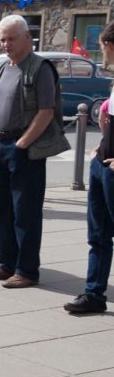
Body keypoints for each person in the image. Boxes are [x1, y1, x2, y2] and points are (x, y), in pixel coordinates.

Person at [0, 14, 58, 289]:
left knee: (25, 212)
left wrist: (22, 144)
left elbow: (46, 111)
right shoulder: (3, 68)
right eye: (2, 39)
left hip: (23, 149)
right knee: (1, 210)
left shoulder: (40, 68)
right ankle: (7, 264)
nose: (5, 44)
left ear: (28, 38)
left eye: (11, 38)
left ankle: (27, 270)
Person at [65, 22, 114, 313]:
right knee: (97, 234)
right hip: (102, 164)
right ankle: (94, 293)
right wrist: (100, 147)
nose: (105, 54)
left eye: (107, 49)